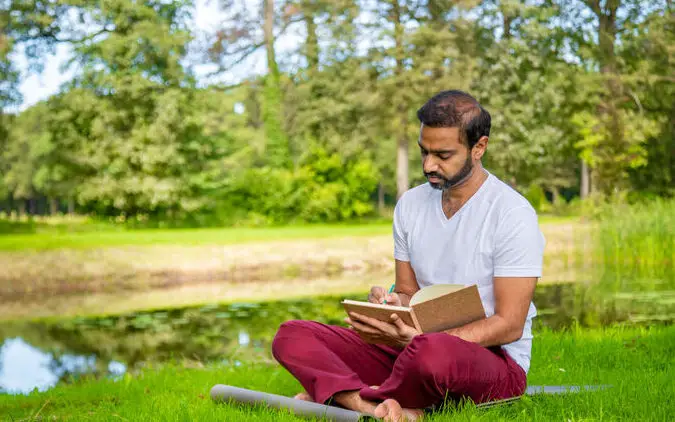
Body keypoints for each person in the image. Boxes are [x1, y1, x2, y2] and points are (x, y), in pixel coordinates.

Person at [271, 90, 546, 421]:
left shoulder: (512, 213)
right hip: (411, 348)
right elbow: (407, 293)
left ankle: (339, 393)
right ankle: (364, 404)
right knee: (292, 334)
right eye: (423, 152)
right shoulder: (411, 205)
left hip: (490, 359)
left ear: (479, 147)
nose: (429, 165)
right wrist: (388, 306)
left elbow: (509, 325)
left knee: (431, 353)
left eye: (442, 155)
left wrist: (420, 340)